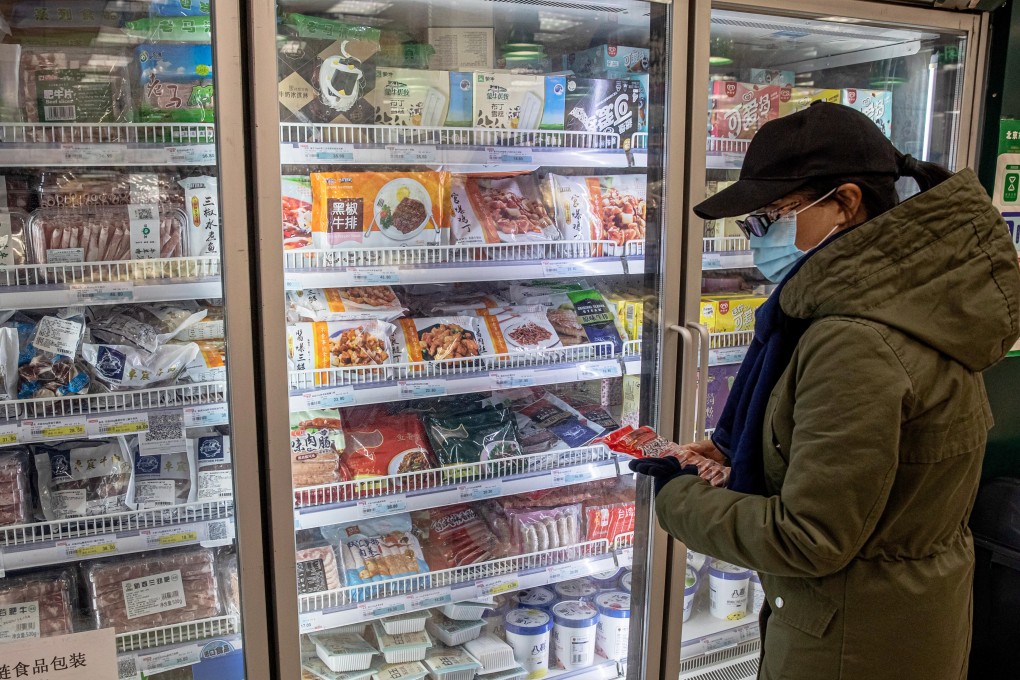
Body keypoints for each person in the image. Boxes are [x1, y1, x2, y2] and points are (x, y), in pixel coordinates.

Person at [631, 102, 1020, 680]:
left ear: (844, 202)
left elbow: (810, 537)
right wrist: (741, 455)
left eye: (772, 216)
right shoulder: (917, 293)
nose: (758, 237)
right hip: (902, 612)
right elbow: (878, 467)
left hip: (855, 640)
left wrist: (679, 495)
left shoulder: (856, 340)